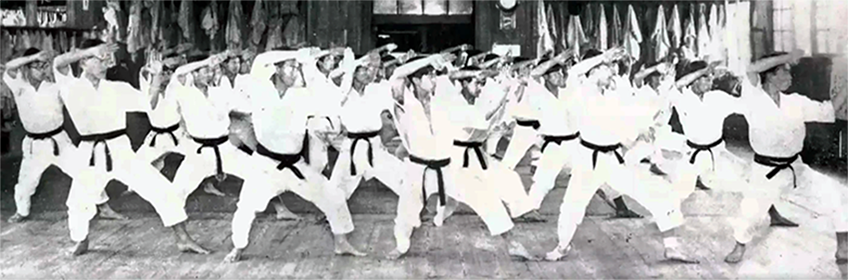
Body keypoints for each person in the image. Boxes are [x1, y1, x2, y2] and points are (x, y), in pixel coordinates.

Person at [53, 39, 209, 256]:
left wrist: (155, 76)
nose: (106, 64)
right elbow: (58, 62)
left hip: (120, 149)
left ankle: (183, 239)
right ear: (84, 62)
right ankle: (81, 240)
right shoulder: (71, 86)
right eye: (101, 59)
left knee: (161, 188)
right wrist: (89, 50)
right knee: (78, 202)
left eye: (108, 59)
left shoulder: (118, 88)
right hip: (89, 153)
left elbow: (149, 104)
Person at [545, 48, 697, 264]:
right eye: (608, 69)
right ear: (596, 70)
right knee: (572, 206)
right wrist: (602, 57)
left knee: (654, 194)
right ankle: (562, 246)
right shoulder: (579, 91)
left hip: (613, 159)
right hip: (588, 160)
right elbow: (577, 71)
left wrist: (663, 90)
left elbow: (632, 116)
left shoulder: (613, 94)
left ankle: (671, 247)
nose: (612, 73)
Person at [386, 53, 535, 261]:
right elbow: (397, 74)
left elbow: (481, 117)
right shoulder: (405, 101)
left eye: (434, 75)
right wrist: (430, 60)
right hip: (417, 169)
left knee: (485, 198)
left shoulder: (444, 102)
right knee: (406, 214)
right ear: (417, 80)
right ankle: (402, 246)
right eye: (429, 76)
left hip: (449, 167)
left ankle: (513, 244)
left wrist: (504, 90)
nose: (434, 79)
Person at [224, 47, 366, 262]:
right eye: (291, 67)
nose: (295, 71)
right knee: (246, 207)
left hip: (295, 166)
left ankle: (341, 243)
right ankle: (238, 247)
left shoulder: (301, 95)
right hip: (265, 165)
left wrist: (340, 69)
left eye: (296, 67)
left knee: (333, 196)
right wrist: (298, 53)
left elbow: (332, 101)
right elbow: (261, 59)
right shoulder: (260, 89)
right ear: (277, 68)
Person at [724, 50, 848, 264]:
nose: (790, 77)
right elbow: (753, 68)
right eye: (785, 72)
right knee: (750, 213)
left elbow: (829, 110)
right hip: (765, 171)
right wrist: (788, 56)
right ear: (771, 75)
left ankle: (843, 247)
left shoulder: (796, 101)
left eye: (790, 72)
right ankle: (739, 246)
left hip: (795, 168)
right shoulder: (753, 97)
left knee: (837, 194)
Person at [4, 47, 124, 223]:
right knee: (26, 183)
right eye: (36, 66)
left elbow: (74, 89)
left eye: (45, 65)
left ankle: (103, 207)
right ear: (27, 68)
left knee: (83, 173)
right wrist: (35, 56)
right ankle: (22, 211)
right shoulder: (19, 86)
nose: (42, 69)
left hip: (59, 141)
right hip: (34, 144)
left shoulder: (56, 87)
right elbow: (9, 66)